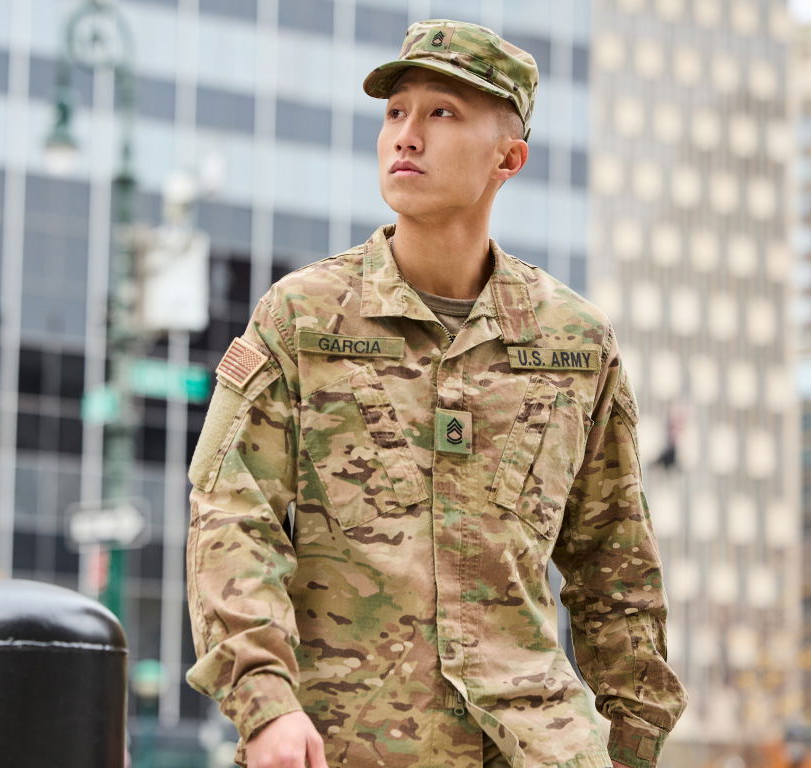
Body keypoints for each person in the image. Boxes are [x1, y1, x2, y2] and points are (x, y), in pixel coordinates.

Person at [185, 19, 688, 768]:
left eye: (440, 113)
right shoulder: (305, 317)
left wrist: (633, 746)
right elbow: (232, 513)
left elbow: (616, 567)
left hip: (543, 747)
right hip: (347, 743)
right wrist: (265, 704)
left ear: (508, 158)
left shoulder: (576, 343)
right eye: (396, 112)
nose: (405, 136)